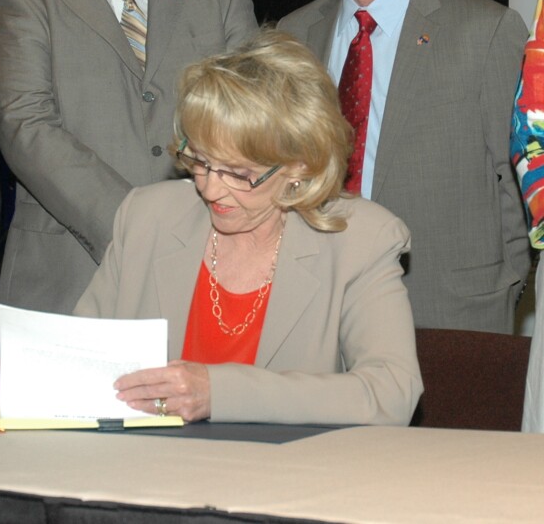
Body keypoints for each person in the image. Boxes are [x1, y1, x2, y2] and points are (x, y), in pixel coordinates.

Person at [74, 30, 422, 425]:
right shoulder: (147, 216)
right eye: (200, 160)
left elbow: (392, 393)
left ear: (300, 166)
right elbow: (79, 362)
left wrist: (219, 393)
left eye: (239, 173)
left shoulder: (360, 240)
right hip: (144, 472)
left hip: (285, 478)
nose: (209, 187)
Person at [0, 0, 257, 314]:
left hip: (210, 269)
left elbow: (253, 121)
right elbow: (25, 127)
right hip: (68, 285)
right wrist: (140, 227)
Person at [279, 0, 531, 333]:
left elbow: (517, 185)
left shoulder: (486, 31)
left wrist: (499, 286)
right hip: (314, 315)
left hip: (447, 314)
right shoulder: (292, 37)